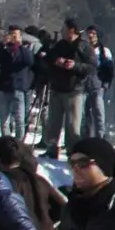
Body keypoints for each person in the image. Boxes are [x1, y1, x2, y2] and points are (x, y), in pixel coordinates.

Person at [40, 20, 87, 156]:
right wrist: (56, 61)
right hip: (57, 88)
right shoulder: (60, 45)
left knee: (72, 125)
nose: (62, 31)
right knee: (53, 123)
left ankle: (72, 151)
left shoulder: (83, 46)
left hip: (74, 90)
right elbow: (47, 60)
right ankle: (52, 148)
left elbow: (91, 67)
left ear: (72, 30)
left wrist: (75, 66)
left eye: (64, 29)